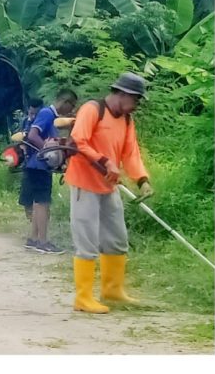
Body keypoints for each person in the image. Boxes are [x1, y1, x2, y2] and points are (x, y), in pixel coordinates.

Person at [65, 72, 153, 313]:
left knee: (117, 239)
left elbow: (130, 153)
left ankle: (112, 291)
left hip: (109, 186)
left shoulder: (126, 120)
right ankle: (83, 298)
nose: (136, 106)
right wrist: (105, 161)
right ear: (123, 94)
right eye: (135, 100)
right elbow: (78, 141)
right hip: (85, 183)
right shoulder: (92, 110)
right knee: (87, 241)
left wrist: (141, 179)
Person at [23, 89, 78, 254]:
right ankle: (43, 242)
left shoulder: (51, 117)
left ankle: (33, 239)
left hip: (37, 166)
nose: (71, 110)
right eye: (71, 106)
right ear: (65, 102)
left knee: (38, 203)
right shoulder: (47, 113)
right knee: (43, 204)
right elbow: (33, 136)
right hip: (39, 165)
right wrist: (48, 154)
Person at [14, 98, 42, 229]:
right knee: (26, 194)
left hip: (39, 162)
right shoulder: (26, 121)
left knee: (40, 198)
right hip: (27, 161)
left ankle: (39, 224)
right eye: (30, 113)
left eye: (34, 114)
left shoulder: (43, 122)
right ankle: (31, 222)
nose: (31, 116)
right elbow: (20, 138)